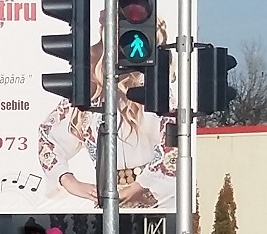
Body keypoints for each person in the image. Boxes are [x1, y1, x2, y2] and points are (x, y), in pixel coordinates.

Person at [35, 14, 177, 210]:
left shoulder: (152, 91)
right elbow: (49, 138)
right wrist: (70, 181)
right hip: (108, 199)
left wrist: (140, 185)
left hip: (157, 199)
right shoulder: (89, 98)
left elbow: (173, 141)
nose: (92, 53)